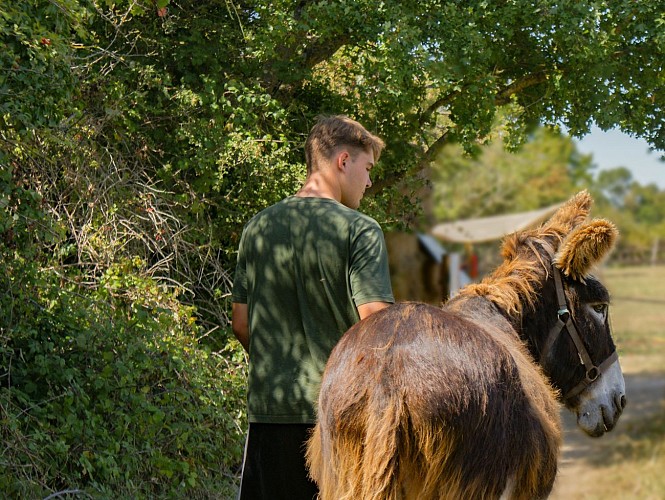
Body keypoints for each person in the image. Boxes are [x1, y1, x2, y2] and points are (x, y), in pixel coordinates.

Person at [231, 115, 395, 499]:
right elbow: (378, 327)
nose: (369, 182)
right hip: (340, 422)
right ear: (343, 161)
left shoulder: (257, 227)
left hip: (268, 417)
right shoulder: (360, 230)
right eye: (367, 168)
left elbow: (241, 323)